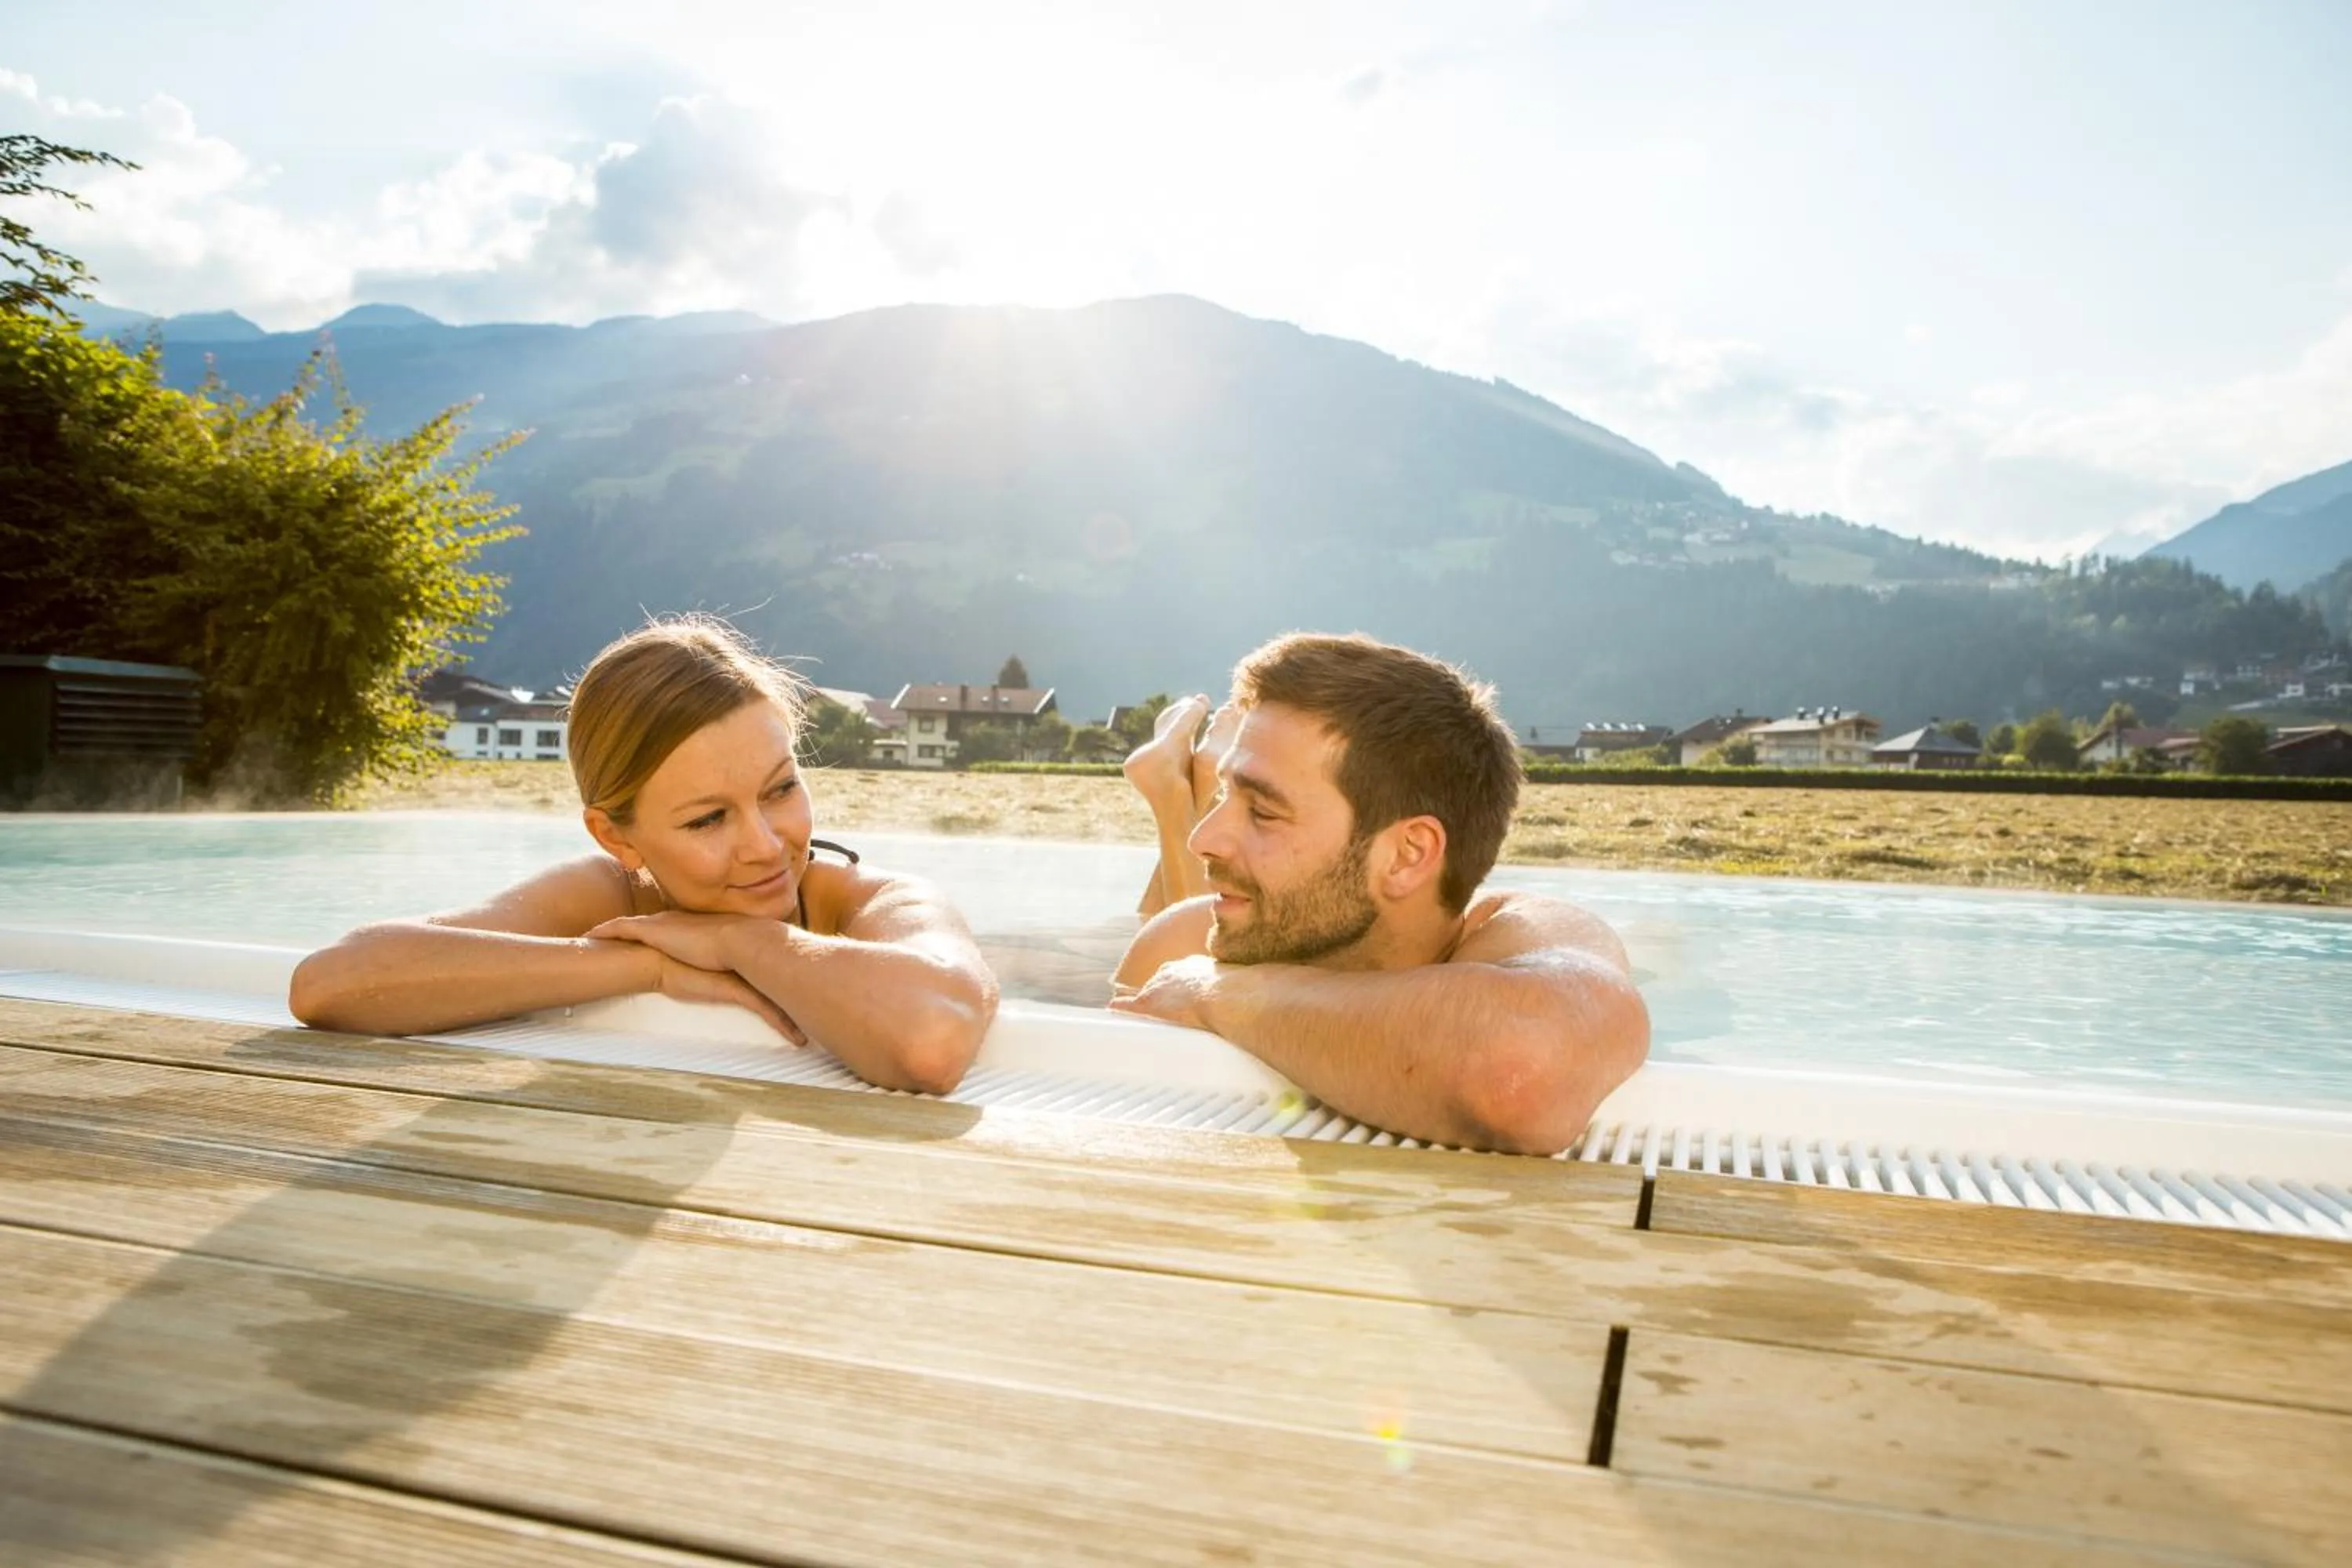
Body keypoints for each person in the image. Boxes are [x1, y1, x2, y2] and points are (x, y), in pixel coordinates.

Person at [289, 616, 997, 1095]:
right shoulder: (610, 900)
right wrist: (650, 965)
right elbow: (332, 983)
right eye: (708, 819)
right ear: (616, 837)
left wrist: (738, 939)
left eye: (781, 789)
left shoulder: (870, 900)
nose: (765, 844)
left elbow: (933, 1040)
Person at [1111, 632, 1648, 1154]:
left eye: (1264, 811)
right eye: (1227, 794)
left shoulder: (1524, 933)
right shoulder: (1181, 940)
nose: (1202, 839)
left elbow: (1517, 1075)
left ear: (1407, 855)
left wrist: (1221, 993)